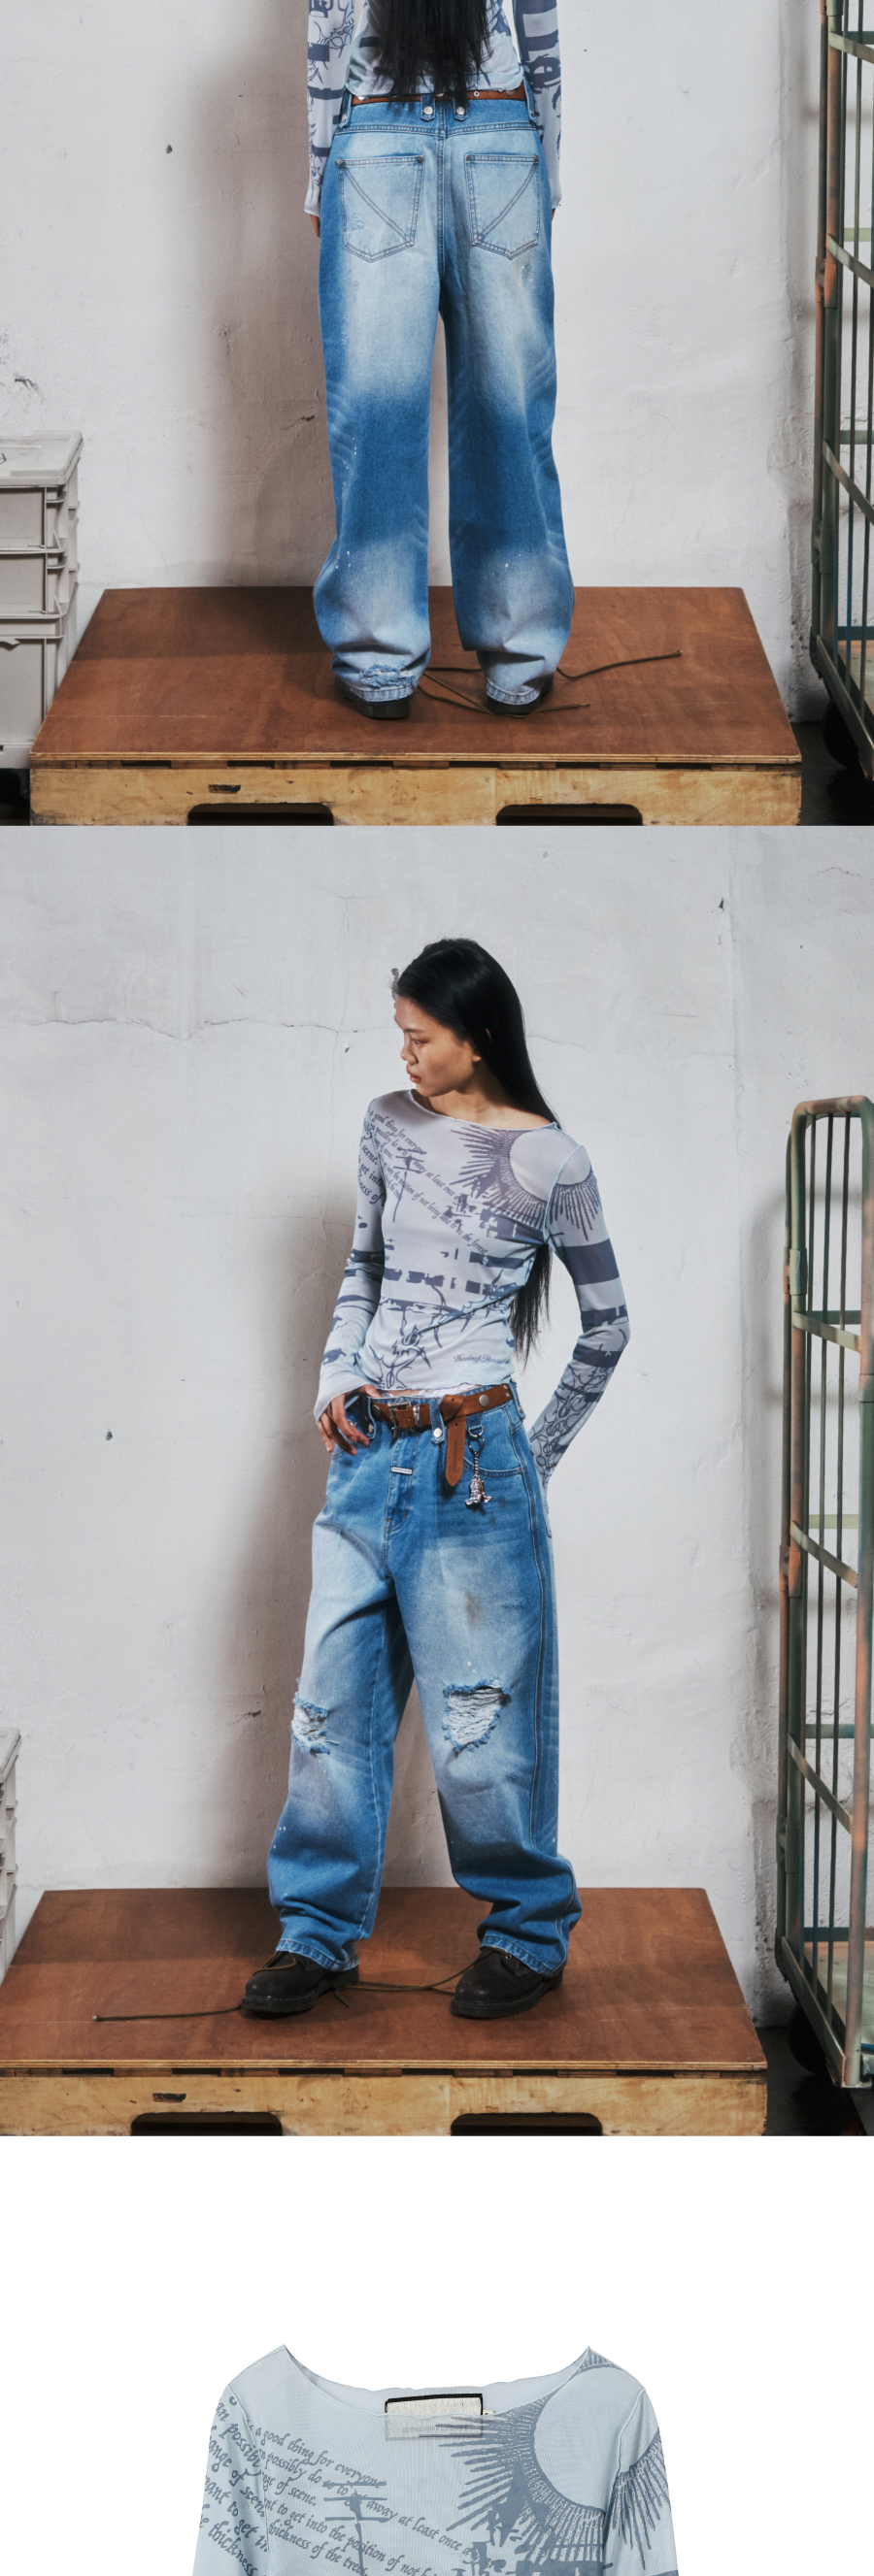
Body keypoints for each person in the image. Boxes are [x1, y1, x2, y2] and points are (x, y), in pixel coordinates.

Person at [242, 937, 629, 2025]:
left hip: (476, 1469)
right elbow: (365, 1265)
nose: (404, 1055)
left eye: (421, 1037)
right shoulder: (386, 1123)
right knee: (329, 1710)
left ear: (480, 1034)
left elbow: (609, 1325)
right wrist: (335, 1374)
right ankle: (316, 1938)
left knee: (479, 1727)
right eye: (399, 1036)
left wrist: (532, 1458)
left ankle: (528, 1936)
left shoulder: (554, 1163)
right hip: (368, 1454)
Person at [305, 3, 572, 717]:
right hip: (500, 132)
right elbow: (539, 18)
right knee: (509, 408)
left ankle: (378, 658)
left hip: (376, 138)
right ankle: (520, 654)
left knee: (376, 411)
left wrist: (319, 173)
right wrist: (548, 164)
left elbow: (330, 23)